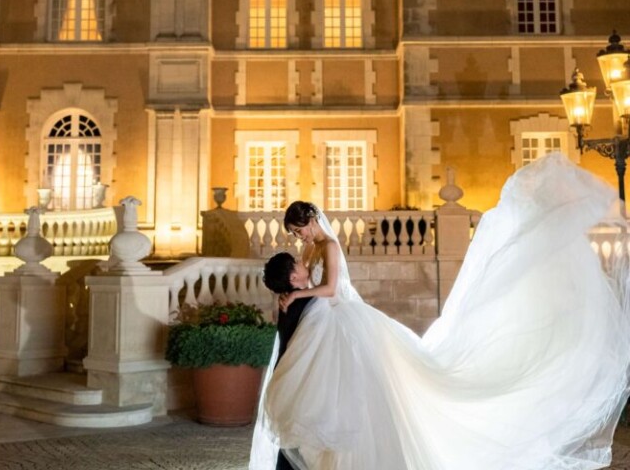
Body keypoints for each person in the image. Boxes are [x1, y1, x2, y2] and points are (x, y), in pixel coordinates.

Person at [250, 152, 630, 470]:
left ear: (310, 220)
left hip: (344, 318)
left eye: (298, 230)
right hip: (324, 322)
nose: (298, 237)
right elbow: (303, 280)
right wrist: (290, 295)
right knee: (332, 394)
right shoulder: (308, 250)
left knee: (362, 390)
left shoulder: (330, 246)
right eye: (295, 234)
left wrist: (299, 297)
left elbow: (332, 288)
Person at [262, 252, 319, 470]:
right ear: (294, 278)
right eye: (296, 263)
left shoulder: (293, 300)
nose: (302, 262)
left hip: (287, 375)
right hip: (299, 377)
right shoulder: (309, 303)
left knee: (294, 439)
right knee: (301, 439)